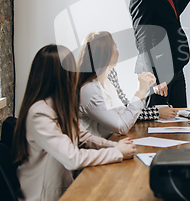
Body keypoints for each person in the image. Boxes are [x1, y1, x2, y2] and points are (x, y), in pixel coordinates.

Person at [13, 45, 136, 201]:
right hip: (46, 196)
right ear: (61, 75)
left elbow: (85, 138)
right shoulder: (39, 113)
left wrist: (116, 146)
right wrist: (117, 153)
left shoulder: (60, 105)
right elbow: (72, 158)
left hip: (66, 187)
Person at [77, 31, 157, 138]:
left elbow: (123, 114)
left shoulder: (106, 83)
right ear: (105, 54)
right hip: (95, 150)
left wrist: (144, 89)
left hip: (108, 143)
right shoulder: (89, 90)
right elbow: (122, 126)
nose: (118, 52)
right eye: (115, 48)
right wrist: (140, 91)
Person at [107, 68, 179, 120]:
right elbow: (123, 114)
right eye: (114, 48)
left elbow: (126, 108)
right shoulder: (102, 77)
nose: (117, 52)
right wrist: (157, 113)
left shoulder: (111, 71)